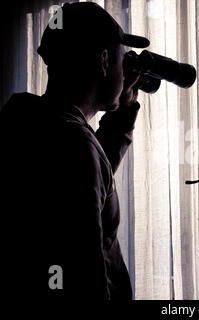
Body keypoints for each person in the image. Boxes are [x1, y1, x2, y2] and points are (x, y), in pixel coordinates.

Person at [0, 2, 149, 299]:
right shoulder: (75, 144)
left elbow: (83, 182)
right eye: (123, 61)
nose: (126, 73)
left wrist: (121, 117)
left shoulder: (24, 117)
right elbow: (84, 272)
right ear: (104, 61)